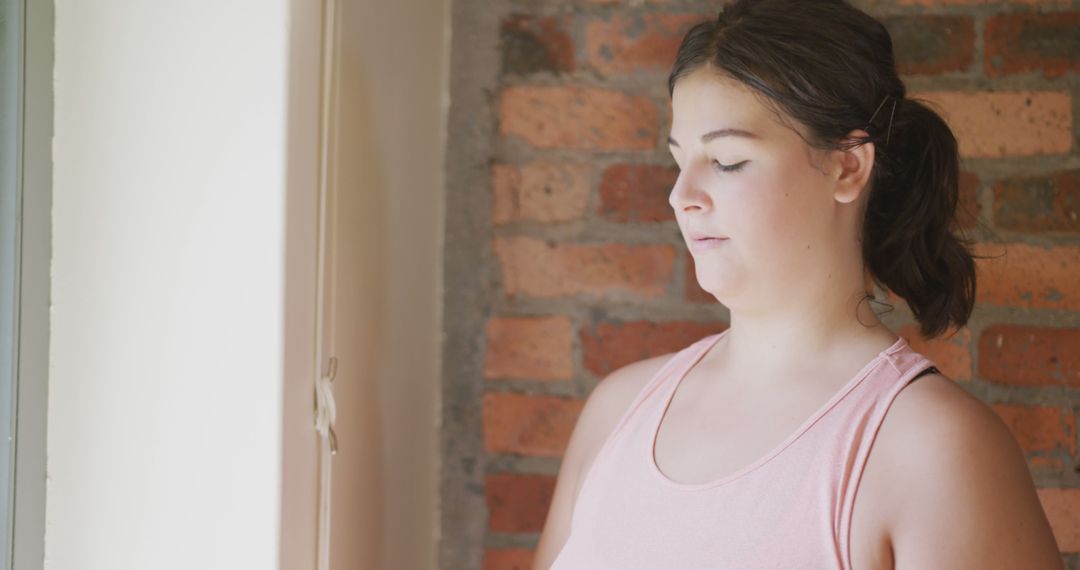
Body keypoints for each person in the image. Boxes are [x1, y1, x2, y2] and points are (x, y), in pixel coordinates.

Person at [533, 0, 1064, 568]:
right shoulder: (618, 411)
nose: (681, 194)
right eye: (679, 160)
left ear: (846, 168)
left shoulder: (930, 447)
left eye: (728, 160)